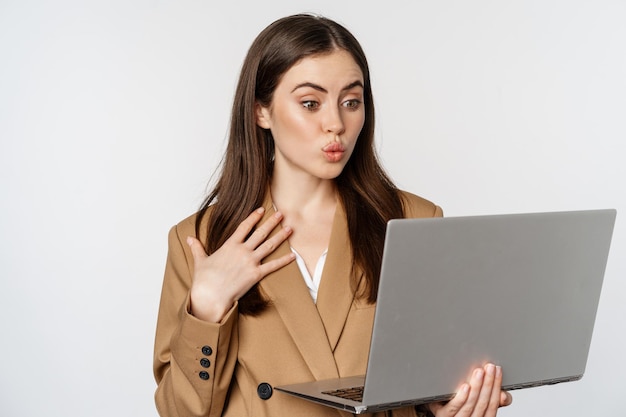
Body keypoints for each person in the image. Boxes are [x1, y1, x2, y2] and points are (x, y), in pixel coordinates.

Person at [153, 13, 513, 417]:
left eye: (351, 102)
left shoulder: (412, 221)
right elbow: (177, 411)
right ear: (261, 112)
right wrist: (205, 308)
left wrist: (444, 408)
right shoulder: (202, 239)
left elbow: (431, 383)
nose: (336, 124)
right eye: (310, 103)